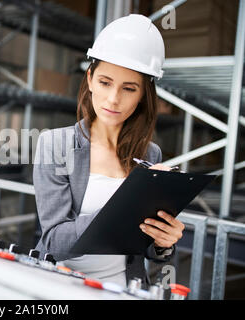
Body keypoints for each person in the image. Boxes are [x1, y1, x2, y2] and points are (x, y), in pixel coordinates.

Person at [32, 14, 185, 288]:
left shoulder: (151, 154)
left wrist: (163, 242)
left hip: (123, 287)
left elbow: (144, 245)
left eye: (129, 88)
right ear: (90, 79)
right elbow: (54, 241)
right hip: (62, 286)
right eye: (105, 82)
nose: (113, 99)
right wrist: (129, 201)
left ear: (142, 96)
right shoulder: (55, 145)